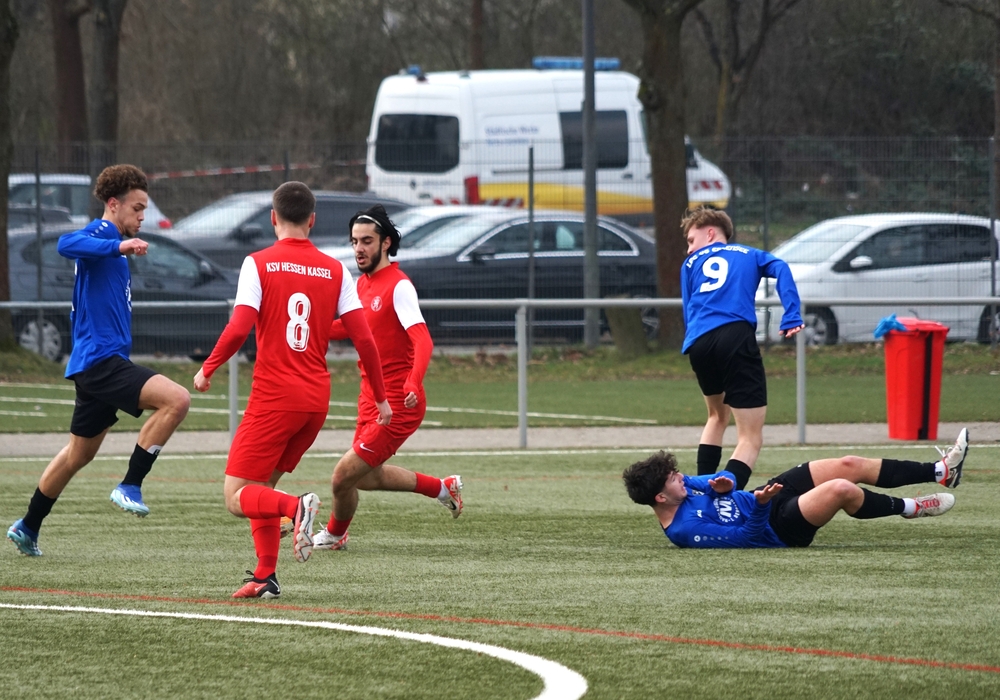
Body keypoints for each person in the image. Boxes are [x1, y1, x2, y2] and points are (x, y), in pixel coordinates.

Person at [192, 182, 391, 599]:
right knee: (260, 487)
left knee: (236, 496)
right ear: (312, 220)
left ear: (273, 218)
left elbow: (239, 326)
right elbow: (365, 340)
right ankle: (266, 576)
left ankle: (295, 507)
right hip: (315, 403)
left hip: (274, 399)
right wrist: (380, 397)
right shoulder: (336, 270)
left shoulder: (258, 263)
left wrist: (208, 367)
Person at [7, 165, 192, 557]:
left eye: (144, 210)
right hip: (101, 361)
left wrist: (119, 249)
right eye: (137, 208)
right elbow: (65, 243)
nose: (142, 217)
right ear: (114, 204)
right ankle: (130, 484)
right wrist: (117, 247)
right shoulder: (103, 234)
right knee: (177, 400)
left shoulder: (112, 242)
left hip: (97, 363)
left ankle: (28, 526)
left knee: (79, 454)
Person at [307, 204, 463, 553]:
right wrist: (305, 326)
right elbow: (348, 328)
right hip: (372, 397)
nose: (358, 248)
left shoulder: (399, 286)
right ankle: (443, 488)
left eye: (366, 241)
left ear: (386, 243)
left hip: (399, 403)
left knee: (342, 476)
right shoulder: (362, 285)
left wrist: (413, 381)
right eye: (354, 242)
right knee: (365, 477)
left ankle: (334, 534)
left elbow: (423, 339)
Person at [622, 428, 968, 549]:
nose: (681, 477)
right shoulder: (685, 530)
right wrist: (761, 504)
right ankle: (912, 508)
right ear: (660, 497)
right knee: (840, 489)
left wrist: (724, 486)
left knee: (848, 464)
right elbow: (746, 539)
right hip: (778, 528)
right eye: (673, 478)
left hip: (765, 496)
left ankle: (941, 471)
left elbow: (722, 483)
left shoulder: (683, 487)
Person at [680, 206, 805, 491]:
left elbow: (688, 308)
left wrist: (693, 341)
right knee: (750, 437)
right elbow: (781, 268)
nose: (689, 249)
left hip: (699, 342)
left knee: (716, 416)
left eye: (691, 240)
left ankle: (700, 492)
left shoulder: (689, 264)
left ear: (710, 233)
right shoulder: (751, 254)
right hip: (735, 336)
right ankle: (727, 496)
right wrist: (791, 314)